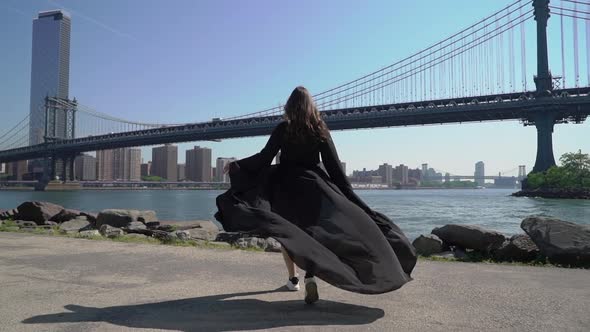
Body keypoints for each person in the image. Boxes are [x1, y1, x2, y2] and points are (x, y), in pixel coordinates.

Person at [217, 86, 417, 304]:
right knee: (314, 233)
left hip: (286, 188)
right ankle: (310, 275)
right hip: (315, 189)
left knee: (287, 231)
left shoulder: (284, 129)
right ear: (312, 107)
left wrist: (237, 165)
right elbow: (335, 170)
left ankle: (293, 279)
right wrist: (356, 202)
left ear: (289, 106)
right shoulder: (320, 129)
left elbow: (264, 158)